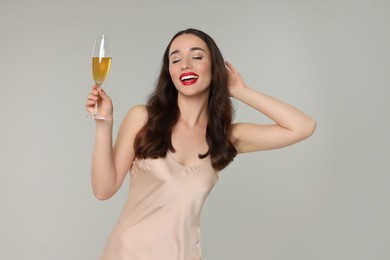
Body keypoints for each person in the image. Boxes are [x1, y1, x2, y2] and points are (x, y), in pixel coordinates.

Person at [86, 28, 316, 260]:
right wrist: (104, 124)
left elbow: (303, 127)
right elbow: (103, 190)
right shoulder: (143, 119)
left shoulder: (224, 138)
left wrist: (240, 91)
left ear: (214, 67)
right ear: (170, 73)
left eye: (196, 57)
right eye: (175, 59)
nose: (185, 64)